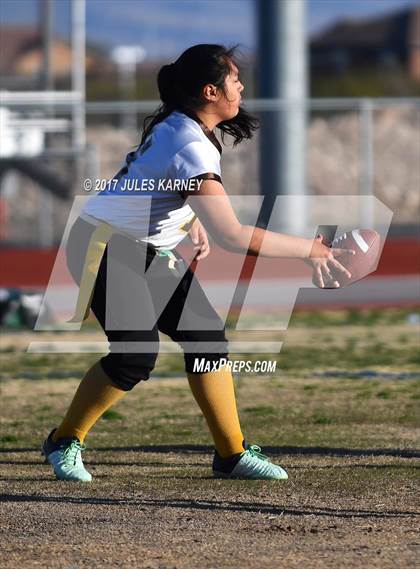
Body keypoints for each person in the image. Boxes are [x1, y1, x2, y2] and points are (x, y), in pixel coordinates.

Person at [42, 44, 352, 482]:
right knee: (135, 355)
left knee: (207, 342)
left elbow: (150, 180)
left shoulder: (183, 125)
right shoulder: (190, 142)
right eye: (233, 79)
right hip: (103, 245)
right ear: (210, 91)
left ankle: (231, 454)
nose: (241, 86)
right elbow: (233, 235)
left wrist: (188, 220)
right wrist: (312, 250)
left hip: (142, 245)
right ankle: (63, 439)